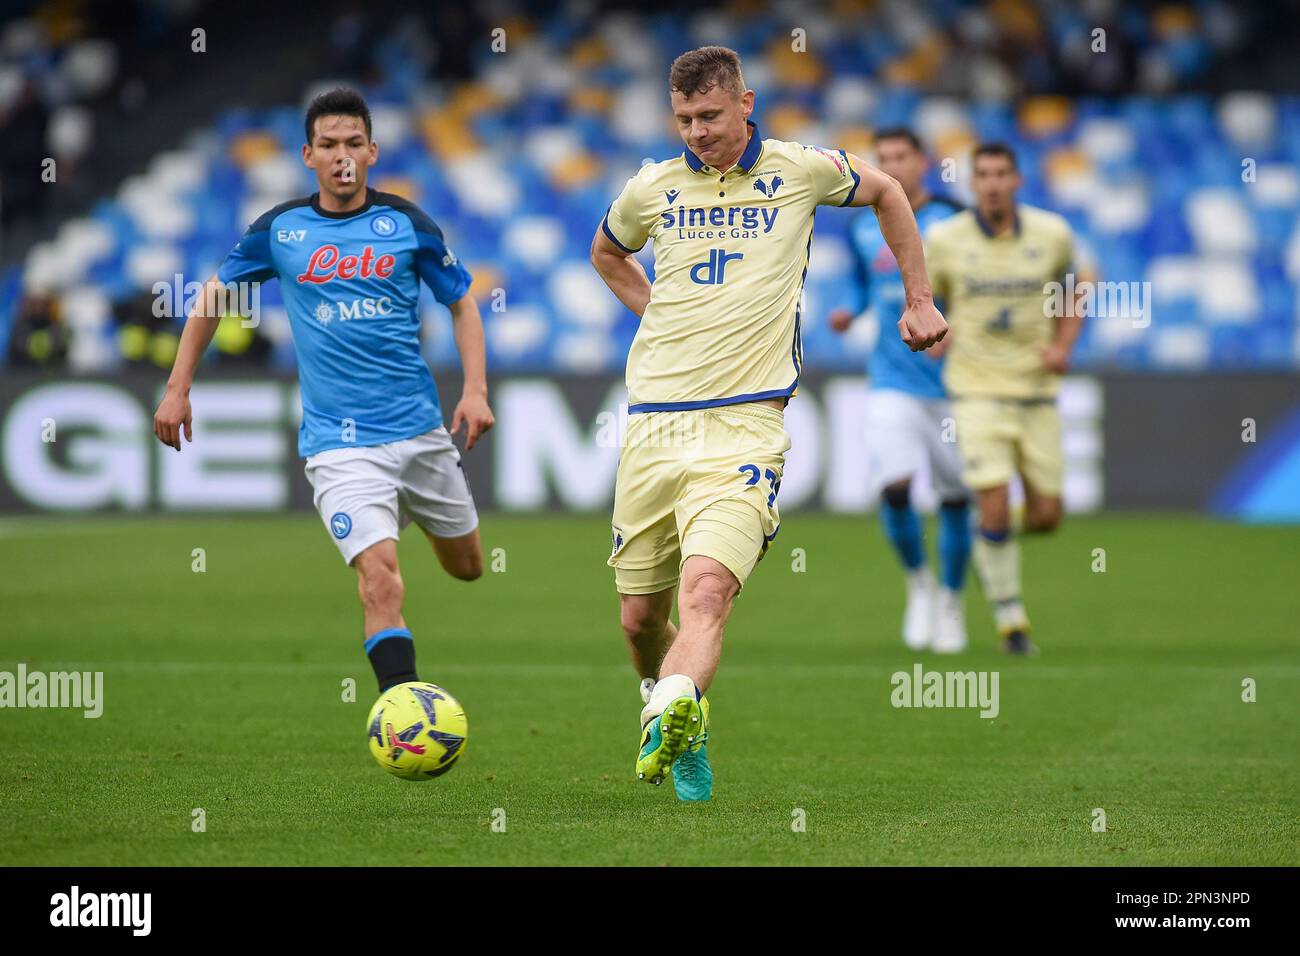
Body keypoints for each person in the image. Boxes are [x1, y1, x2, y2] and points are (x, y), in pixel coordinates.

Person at [590, 47, 947, 800]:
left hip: (747, 427)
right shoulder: (650, 187)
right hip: (655, 426)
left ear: (745, 103)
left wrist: (917, 298)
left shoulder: (799, 169)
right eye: (684, 118)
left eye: (710, 116)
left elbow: (886, 190)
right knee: (636, 621)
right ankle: (672, 702)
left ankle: (677, 711)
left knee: (708, 594)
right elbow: (606, 251)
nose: (697, 131)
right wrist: (657, 314)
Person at [153, 87, 494, 691]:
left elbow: (462, 305)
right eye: (330, 144)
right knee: (381, 578)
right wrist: (178, 387)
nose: (343, 155)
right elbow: (212, 298)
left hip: (419, 432)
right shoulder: (281, 231)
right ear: (307, 155)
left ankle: (408, 509)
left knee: (468, 568)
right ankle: (402, 711)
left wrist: (474, 390)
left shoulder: (408, 225)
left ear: (373, 152)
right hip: (340, 446)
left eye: (354, 143)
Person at [924, 143, 1082, 654]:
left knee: (1047, 517)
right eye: (983, 175)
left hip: (1036, 391)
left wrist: (1061, 346)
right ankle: (1011, 619)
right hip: (975, 390)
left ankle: (986, 537)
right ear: (973, 183)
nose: (991, 183)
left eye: (1001, 174)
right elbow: (924, 294)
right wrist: (936, 330)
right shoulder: (945, 239)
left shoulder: (1052, 234)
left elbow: (1073, 291)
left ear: (1017, 179)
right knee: (993, 502)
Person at [830, 127, 970, 653]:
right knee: (895, 485)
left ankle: (953, 603)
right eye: (881, 158)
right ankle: (920, 584)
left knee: (956, 497)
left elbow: (974, 289)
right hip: (891, 379)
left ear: (923, 162)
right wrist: (852, 309)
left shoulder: (954, 220)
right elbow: (865, 284)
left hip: (955, 386)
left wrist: (953, 330)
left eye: (898, 157)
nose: (889, 166)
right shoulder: (866, 225)